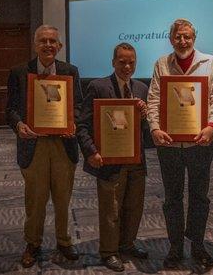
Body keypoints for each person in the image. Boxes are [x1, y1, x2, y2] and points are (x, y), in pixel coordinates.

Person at [146, 18, 213, 269]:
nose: (183, 41)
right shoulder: (162, 64)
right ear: (171, 39)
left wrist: (212, 126)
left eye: (187, 36)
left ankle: (199, 246)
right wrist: (155, 128)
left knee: (200, 197)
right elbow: (153, 100)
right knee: (172, 198)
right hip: (169, 145)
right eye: (178, 36)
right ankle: (175, 247)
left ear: (195, 38)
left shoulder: (210, 62)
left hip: (200, 143)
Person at [5, 25, 83, 268]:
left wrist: (73, 123)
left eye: (52, 41)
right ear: (35, 44)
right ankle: (33, 243)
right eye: (43, 41)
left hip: (63, 145)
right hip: (34, 145)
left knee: (63, 197)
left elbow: (79, 106)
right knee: (35, 199)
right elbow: (10, 109)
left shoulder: (70, 71)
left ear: (59, 46)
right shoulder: (19, 72)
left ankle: (64, 240)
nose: (48, 45)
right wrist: (18, 125)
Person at [77, 42, 149, 272]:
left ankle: (127, 244)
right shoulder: (98, 87)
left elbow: (143, 131)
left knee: (134, 206)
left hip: (135, 160)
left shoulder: (141, 89)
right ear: (113, 62)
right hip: (108, 160)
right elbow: (82, 124)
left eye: (131, 62)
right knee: (111, 209)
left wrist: (146, 115)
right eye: (122, 62)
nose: (127, 66)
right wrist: (91, 152)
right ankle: (109, 252)